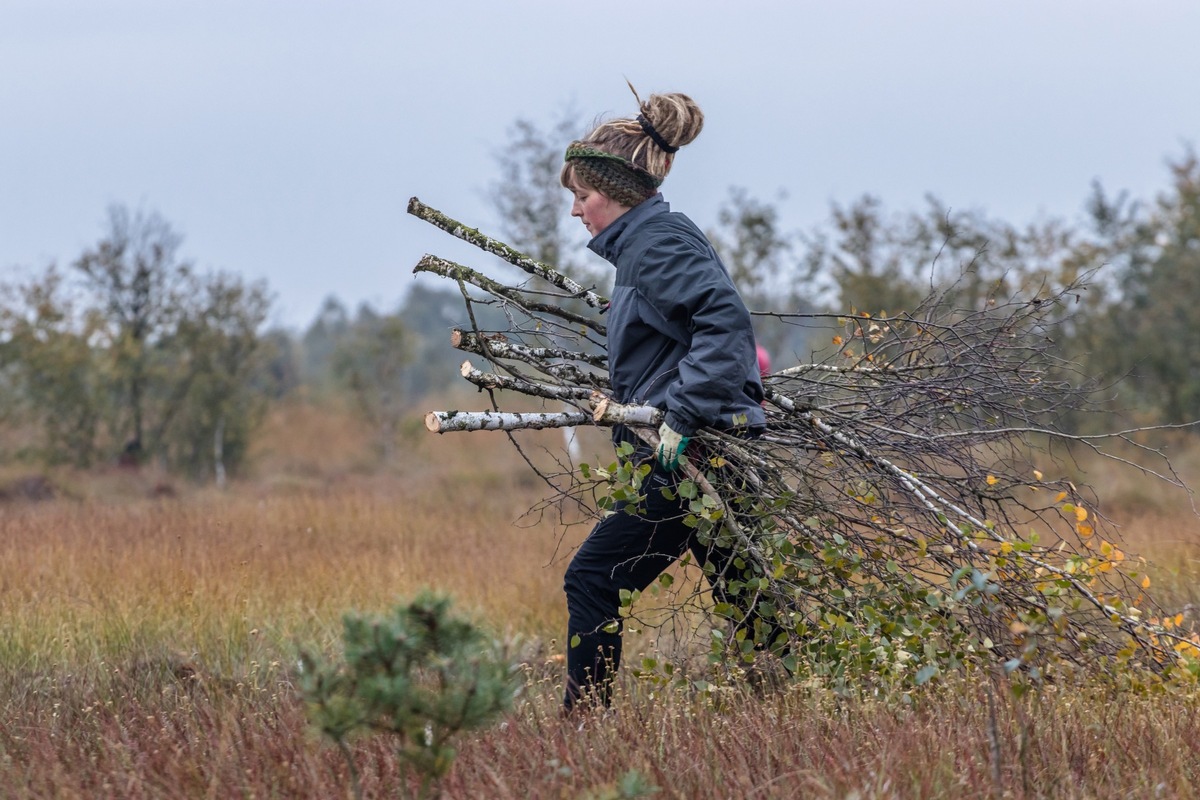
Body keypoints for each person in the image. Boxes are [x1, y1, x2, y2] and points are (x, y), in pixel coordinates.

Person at [560, 87, 770, 711]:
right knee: (748, 595)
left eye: (582, 196)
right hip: (701, 449)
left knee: (593, 577)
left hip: (686, 453)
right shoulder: (646, 245)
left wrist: (681, 413)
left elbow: (723, 323)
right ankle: (801, 705)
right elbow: (679, 335)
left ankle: (585, 730)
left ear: (617, 193)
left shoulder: (658, 243)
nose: (576, 211)